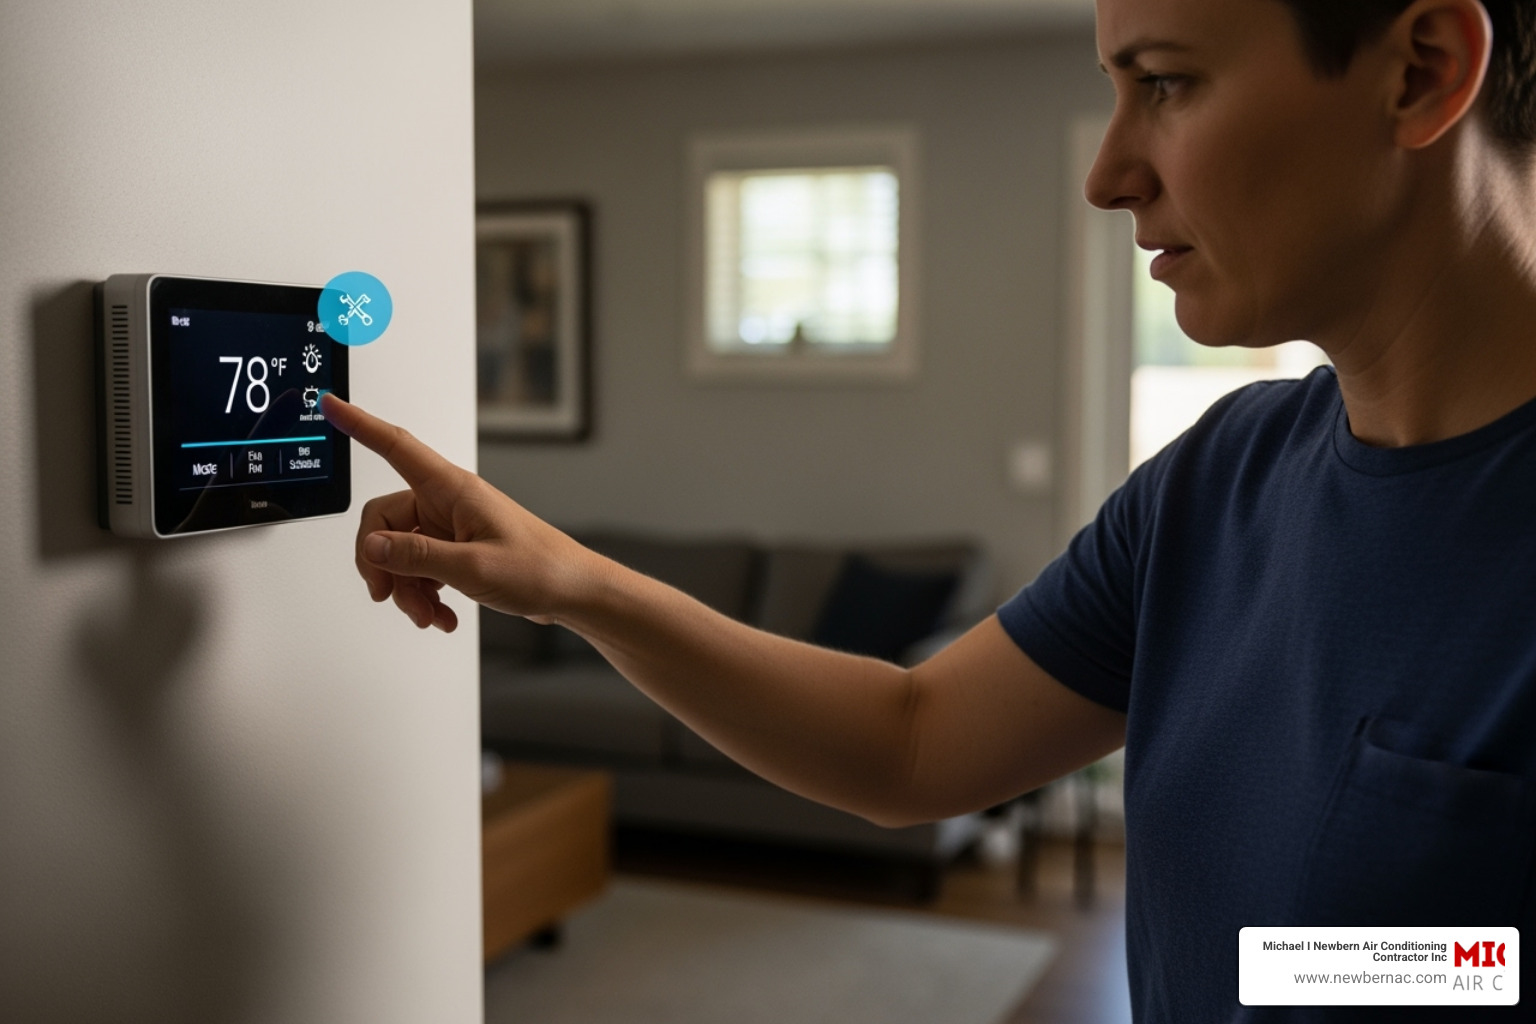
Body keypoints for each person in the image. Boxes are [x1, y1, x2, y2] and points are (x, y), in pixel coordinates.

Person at [324, 0, 1536, 1017]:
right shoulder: (1220, 478)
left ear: (1421, 72)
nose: (1108, 174)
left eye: (1165, 84)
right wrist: (574, 581)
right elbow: (910, 741)